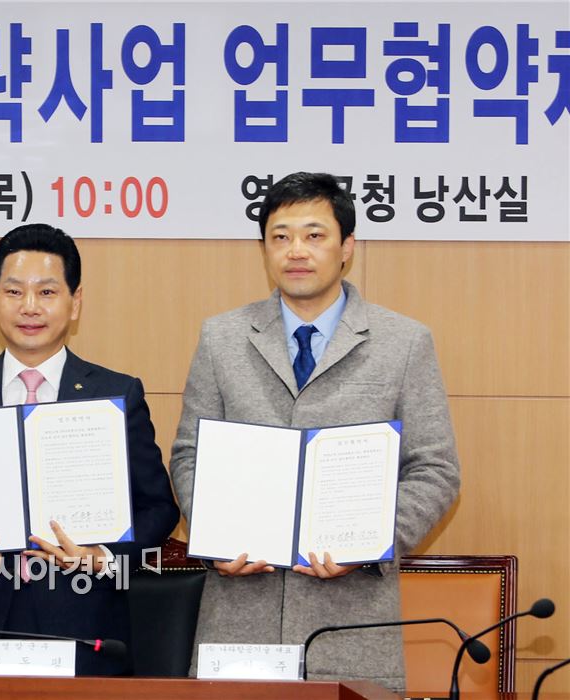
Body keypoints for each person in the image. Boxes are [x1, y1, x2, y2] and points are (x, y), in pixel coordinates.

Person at [169, 172, 460, 692]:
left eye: (314, 235)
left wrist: (370, 541)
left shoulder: (403, 342)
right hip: (240, 621)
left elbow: (435, 469)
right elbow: (190, 455)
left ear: (347, 247)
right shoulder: (222, 337)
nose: (296, 251)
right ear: (264, 248)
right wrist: (215, 535)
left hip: (352, 623)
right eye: (280, 237)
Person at [0, 223, 180, 676]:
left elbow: (158, 507)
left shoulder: (116, 394)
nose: (30, 306)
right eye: (14, 291)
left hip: (86, 626)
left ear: (75, 302)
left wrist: (103, 558)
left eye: (48, 292)